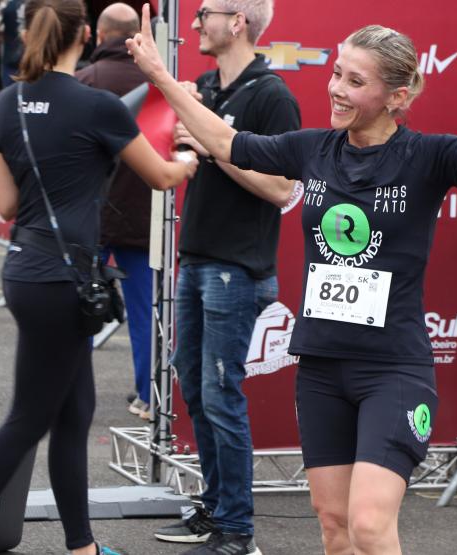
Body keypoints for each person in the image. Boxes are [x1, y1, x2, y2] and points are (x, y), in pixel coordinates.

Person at [128, 1, 457, 553]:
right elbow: (228, 143)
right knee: (335, 527)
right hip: (322, 368)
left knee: (370, 525)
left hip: (391, 369)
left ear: (396, 96)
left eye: (355, 80)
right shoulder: (314, 149)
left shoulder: (427, 156)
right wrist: (160, 76)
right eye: (336, 74)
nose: (337, 90)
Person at [0, 0, 198, 553]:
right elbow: (162, 177)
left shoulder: (7, 103)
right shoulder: (97, 106)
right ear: (83, 34)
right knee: (27, 420)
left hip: (29, 271)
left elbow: (5, 205)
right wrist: (192, 157)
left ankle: (82, 547)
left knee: (74, 415)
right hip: (64, 281)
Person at [148, 1, 300, 554]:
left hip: (236, 269)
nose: (193, 24)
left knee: (220, 394)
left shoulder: (271, 95)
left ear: (236, 22)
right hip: (198, 259)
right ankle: (215, 509)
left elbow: (284, 188)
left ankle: (238, 531)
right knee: (196, 387)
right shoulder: (207, 87)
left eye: (204, 13)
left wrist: (214, 151)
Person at [75, 2, 155, 421]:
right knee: (146, 313)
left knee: (82, 307)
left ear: (100, 34)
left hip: (92, 216)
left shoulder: (84, 82)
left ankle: (75, 395)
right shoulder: (157, 83)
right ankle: (148, 395)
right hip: (143, 218)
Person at [0, 0, 26, 88]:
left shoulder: (5, 4)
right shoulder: (35, 4)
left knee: (9, 91)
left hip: (9, 54)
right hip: (30, 56)